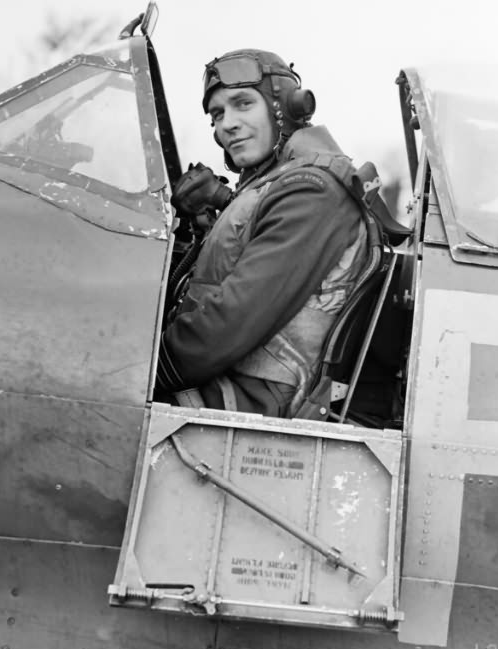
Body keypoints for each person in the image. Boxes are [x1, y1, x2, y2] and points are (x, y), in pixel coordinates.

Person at [155, 49, 374, 418]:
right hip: (227, 381)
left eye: (243, 104)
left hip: (253, 400)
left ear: (286, 107)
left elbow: (232, 320)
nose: (227, 124)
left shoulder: (311, 191)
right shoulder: (274, 186)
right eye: (217, 114)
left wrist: (147, 368)